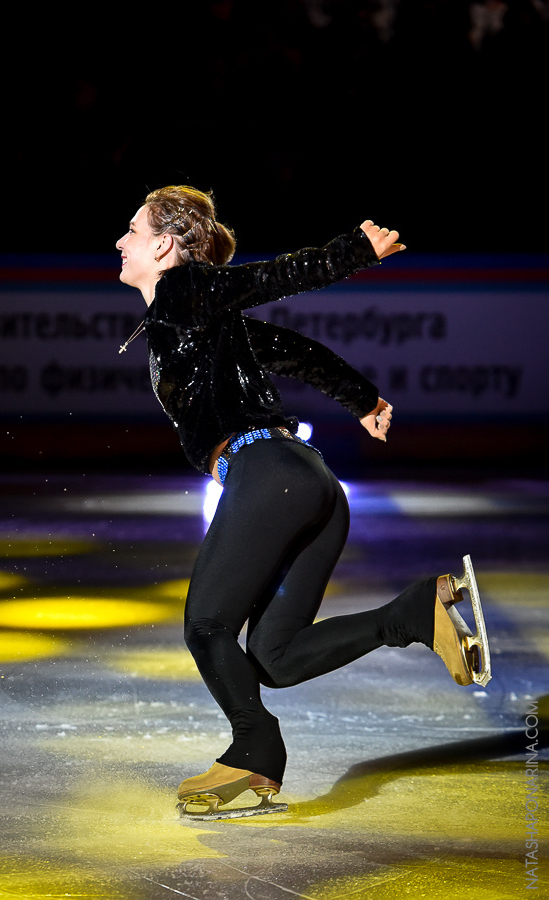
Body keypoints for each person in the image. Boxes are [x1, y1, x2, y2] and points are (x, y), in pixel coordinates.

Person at [115, 185, 491, 820]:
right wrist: (361, 399)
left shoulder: (183, 290)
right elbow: (296, 353)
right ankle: (411, 614)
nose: (120, 241)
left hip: (268, 476)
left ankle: (254, 747)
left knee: (207, 627)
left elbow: (268, 278)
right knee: (274, 656)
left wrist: (352, 252)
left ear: (163, 247)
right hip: (308, 482)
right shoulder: (199, 321)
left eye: (132, 230)